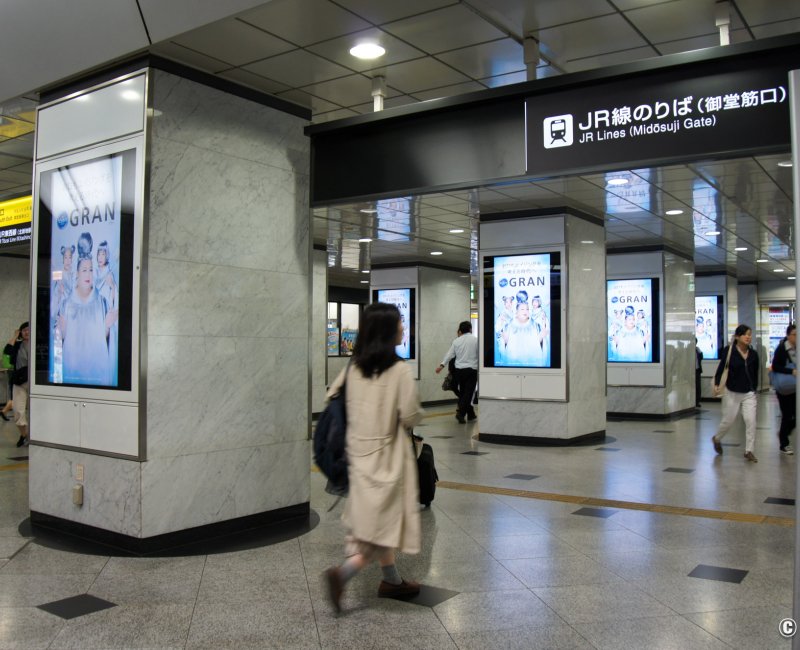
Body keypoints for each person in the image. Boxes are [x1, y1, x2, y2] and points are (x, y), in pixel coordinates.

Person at [324, 302, 424, 613]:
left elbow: (333, 396)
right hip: (387, 458)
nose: (402, 329)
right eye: (399, 324)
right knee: (380, 527)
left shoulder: (354, 367)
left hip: (358, 454)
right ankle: (343, 574)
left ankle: (391, 580)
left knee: (374, 520)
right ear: (387, 330)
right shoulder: (399, 371)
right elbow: (409, 415)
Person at [57, 233, 118, 386]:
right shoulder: (66, 304)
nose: (88, 274)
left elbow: (104, 336)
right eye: (84, 270)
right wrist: (62, 331)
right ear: (77, 273)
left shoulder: (102, 302)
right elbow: (61, 338)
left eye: (91, 270)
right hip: (72, 371)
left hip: (97, 372)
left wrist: (108, 326)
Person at [712, 324, 760, 462]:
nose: (748, 337)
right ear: (737, 336)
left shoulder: (753, 354)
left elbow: (755, 373)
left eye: (750, 334)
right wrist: (716, 384)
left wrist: (754, 388)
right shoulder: (729, 351)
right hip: (731, 392)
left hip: (748, 393)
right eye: (745, 334)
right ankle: (717, 438)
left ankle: (749, 451)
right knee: (728, 421)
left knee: (751, 421)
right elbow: (722, 367)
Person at [436, 320, 479, 423]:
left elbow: (449, 355)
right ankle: (461, 413)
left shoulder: (456, 341)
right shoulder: (476, 340)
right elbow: (479, 355)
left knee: (464, 393)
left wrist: (441, 365)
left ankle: (471, 414)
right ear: (470, 329)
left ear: (460, 330)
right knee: (468, 393)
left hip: (459, 371)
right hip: (471, 370)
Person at [771, 323, 796, 455]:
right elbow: (775, 366)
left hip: (796, 387)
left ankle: (783, 433)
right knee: (787, 415)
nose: (796, 337)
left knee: (795, 416)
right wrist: (791, 371)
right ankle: (784, 443)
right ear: (788, 335)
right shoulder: (782, 349)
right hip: (784, 388)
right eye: (794, 334)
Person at [3, 323, 30, 447]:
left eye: (29, 330)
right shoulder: (18, 345)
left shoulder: (38, 344)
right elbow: (7, 350)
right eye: (24, 330)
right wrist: (15, 336)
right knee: (18, 411)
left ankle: (33, 437)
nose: (26, 332)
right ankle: (24, 435)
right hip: (20, 381)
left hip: (34, 383)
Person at [695, 338, 703, 408]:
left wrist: (700, 352)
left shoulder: (697, 349)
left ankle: (697, 401)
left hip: (697, 370)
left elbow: (701, 358)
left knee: (698, 386)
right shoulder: (688, 348)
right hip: (690, 371)